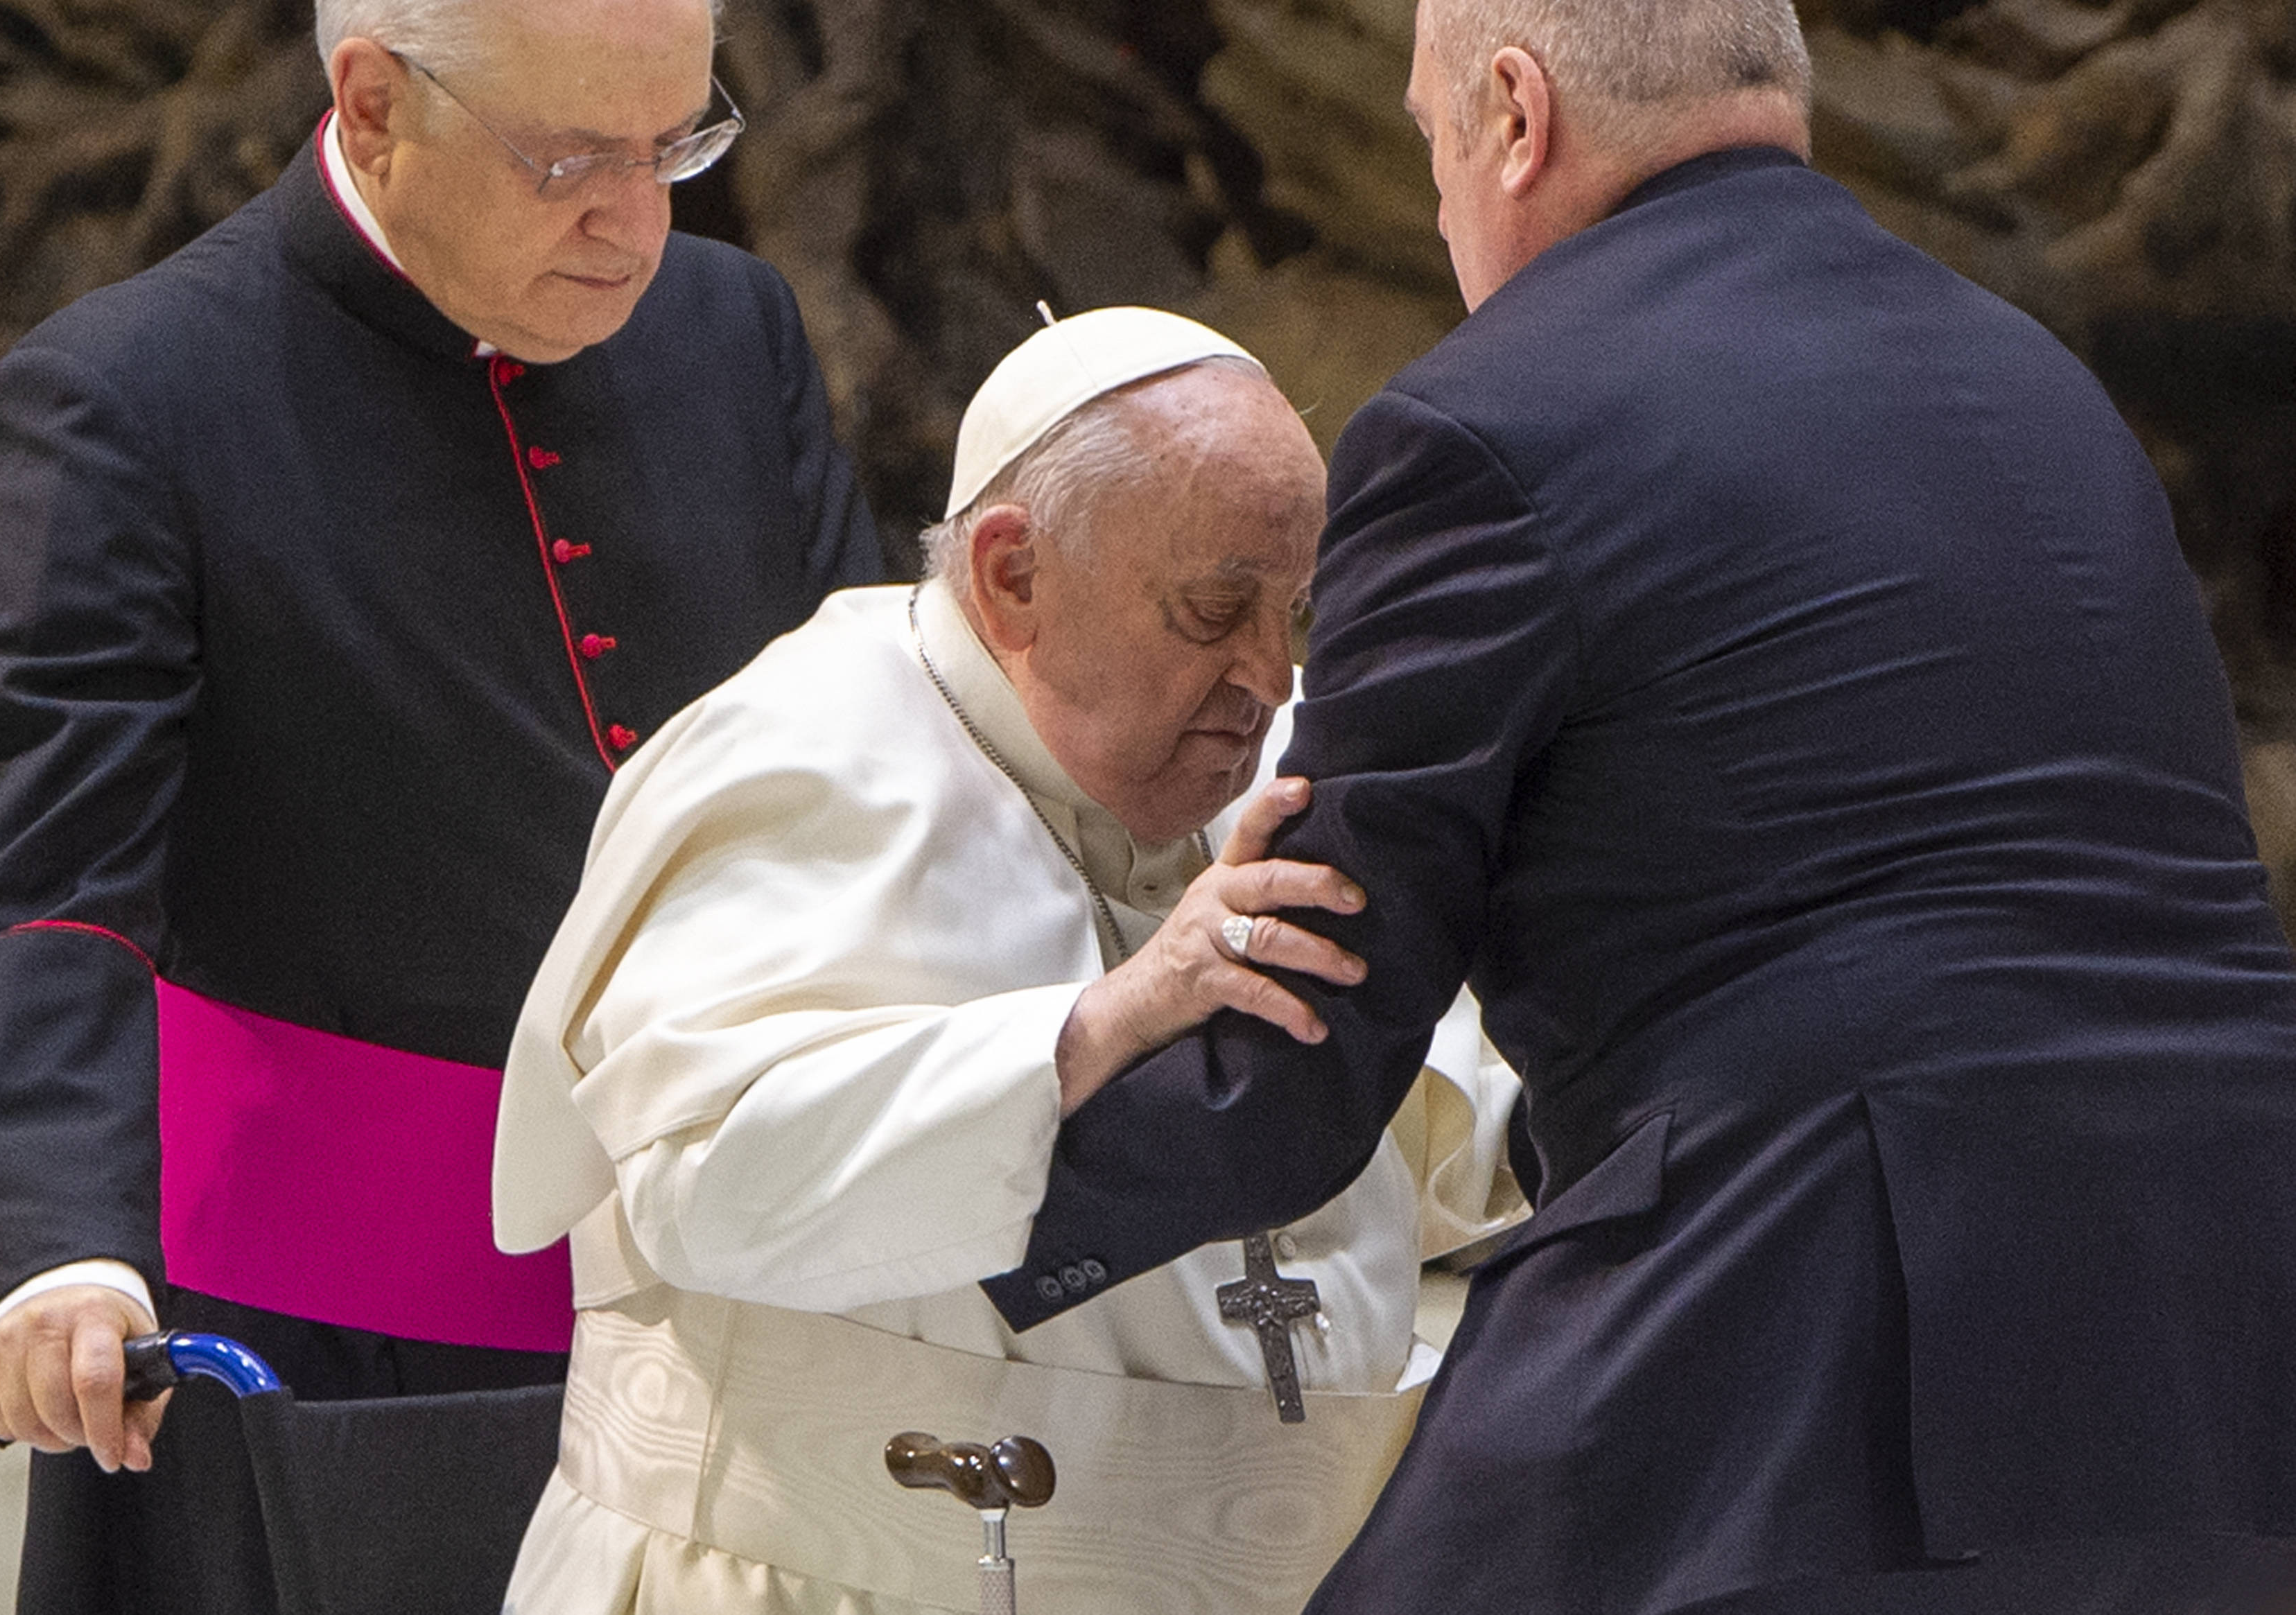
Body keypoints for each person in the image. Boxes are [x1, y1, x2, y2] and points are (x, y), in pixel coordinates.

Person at [980, 4, 2296, 1614]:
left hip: (1825, 1318)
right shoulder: (2037, 381)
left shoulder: (1482, 424)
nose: (1443, 209)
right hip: (2227, 1322)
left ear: (1514, 116)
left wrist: (939, 1194)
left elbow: (1303, 1044)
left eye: (1428, 140)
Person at [0, 0, 878, 1605]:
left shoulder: (730, 328)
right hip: (316, 1356)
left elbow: (870, 742)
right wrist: (46, 1239)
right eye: (569, 161)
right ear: (370, 105)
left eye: (674, 146)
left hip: (733, 1318)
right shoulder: (129, 395)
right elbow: (39, 878)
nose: (635, 224)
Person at [489, 306, 1526, 1614]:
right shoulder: (803, 752)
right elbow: (704, 1183)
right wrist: (1110, 1019)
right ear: (1014, 577)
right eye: (1215, 608)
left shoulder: (1266, 753)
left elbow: (1432, 1142)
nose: (1270, 672)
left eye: (1300, 609)